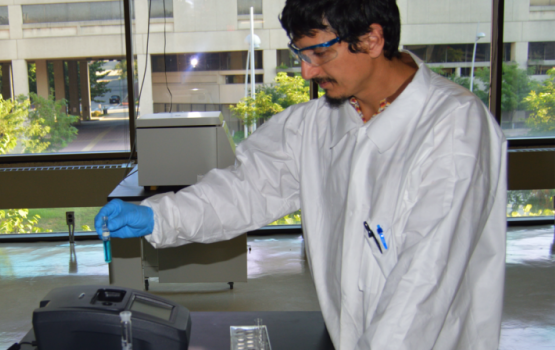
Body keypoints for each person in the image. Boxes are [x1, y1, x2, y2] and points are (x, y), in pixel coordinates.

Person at [96, 0, 507, 349]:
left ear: (371, 39)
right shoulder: (316, 124)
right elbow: (247, 188)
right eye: (301, 54)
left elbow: (423, 286)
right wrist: (158, 216)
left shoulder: (453, 128)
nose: (307, 72)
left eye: (320, 53)